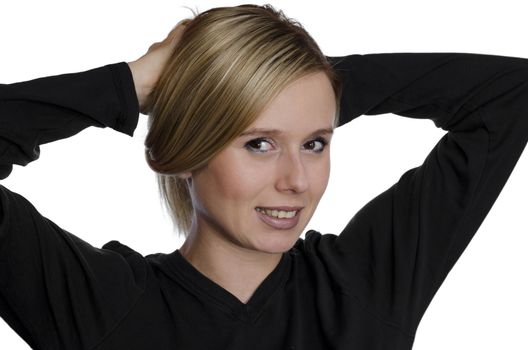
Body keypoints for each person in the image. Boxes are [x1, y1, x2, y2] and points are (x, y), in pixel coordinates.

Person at [0, 4, 526, 349]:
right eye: (259, 143)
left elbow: (511, 94)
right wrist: (131, 84)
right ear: (181, 152)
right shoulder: (101, 306)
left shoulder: (365, 287)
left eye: (314, 143)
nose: (297, 180)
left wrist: (302, 80)